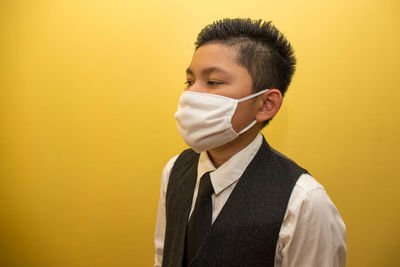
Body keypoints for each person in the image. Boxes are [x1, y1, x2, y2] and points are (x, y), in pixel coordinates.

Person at [154, 18, 346, 267]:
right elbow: (163, 257)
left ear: (266, 104)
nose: (190, 94)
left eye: (212, 82)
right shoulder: (174, 171)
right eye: (189, 81)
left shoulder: (304, 203)